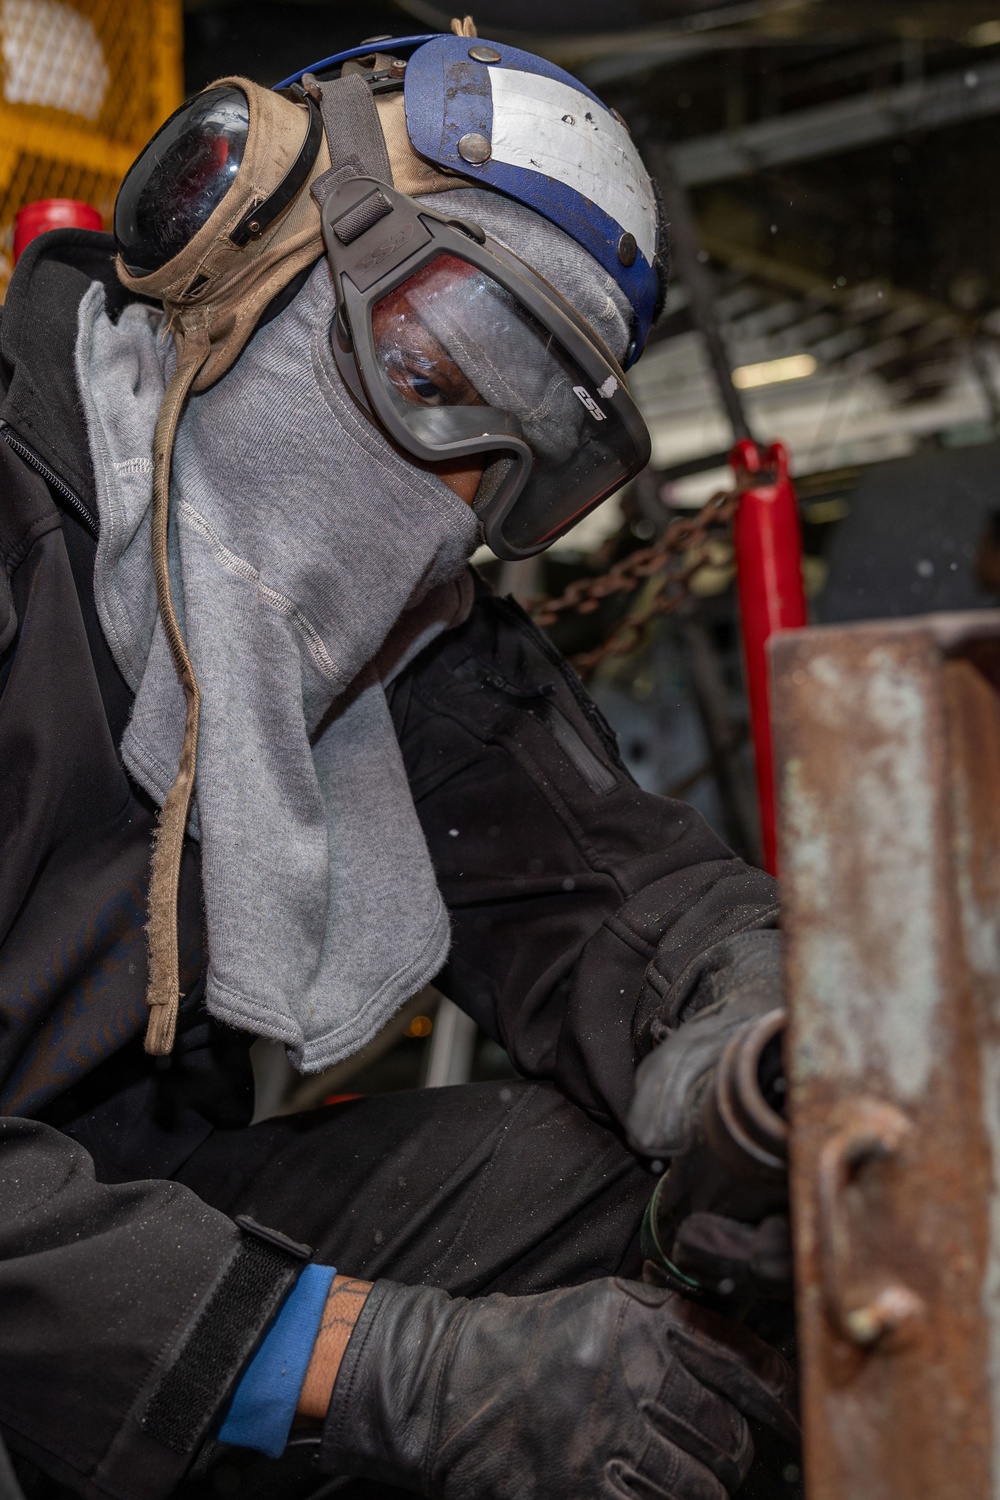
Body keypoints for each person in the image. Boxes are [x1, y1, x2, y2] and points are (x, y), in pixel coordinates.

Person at [0, 21, 795, 1499]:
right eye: (442, 349)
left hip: (108, 1259)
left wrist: (755, 1044)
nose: (454, 478)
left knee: (641, 1203)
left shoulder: (377, 634)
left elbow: (611, 888)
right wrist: (380, 1369)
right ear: (231, 218)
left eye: (525, 435)